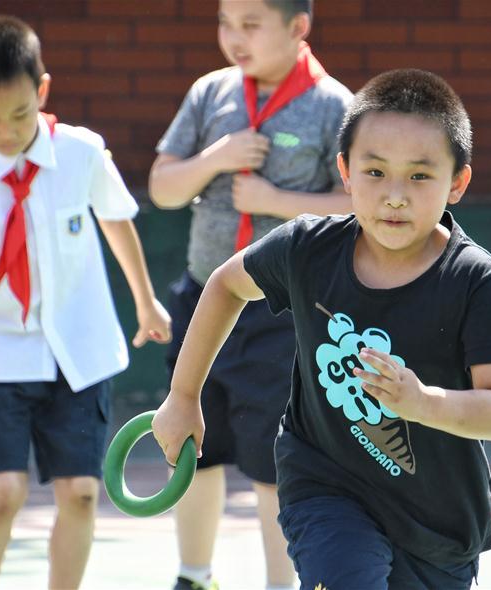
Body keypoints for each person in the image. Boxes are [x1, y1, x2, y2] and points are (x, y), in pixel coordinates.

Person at [153, 69, 491, 590]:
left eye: (420, 176)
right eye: (375, 173)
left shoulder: (474, 280)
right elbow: (225, 285)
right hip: (325, 487)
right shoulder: (307, 249)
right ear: (345, 172)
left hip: (437, 526)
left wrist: (424, 404)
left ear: (458, 183)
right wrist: (183, 394)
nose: (395, 195)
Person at [0, 15, 171, 590]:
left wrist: (146, 302)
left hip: (78, 349)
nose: (6, 131)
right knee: (4, 491)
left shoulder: (82, 153)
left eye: (19, 114)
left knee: (82, 493)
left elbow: (117, 225)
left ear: (42, 91)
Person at [148, 1, 352, 589]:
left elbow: (357, 209)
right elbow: (162, 186)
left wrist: (277, 202)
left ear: (298, 27)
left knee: (273, 458)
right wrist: (216, 158)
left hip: (279, 310)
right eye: (225, 23)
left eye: (251, 25)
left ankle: (279, 583)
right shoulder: (210, 93)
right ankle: (193, 575)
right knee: (191, 443)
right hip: (202, 298)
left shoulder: (334, 105)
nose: (234, 38)